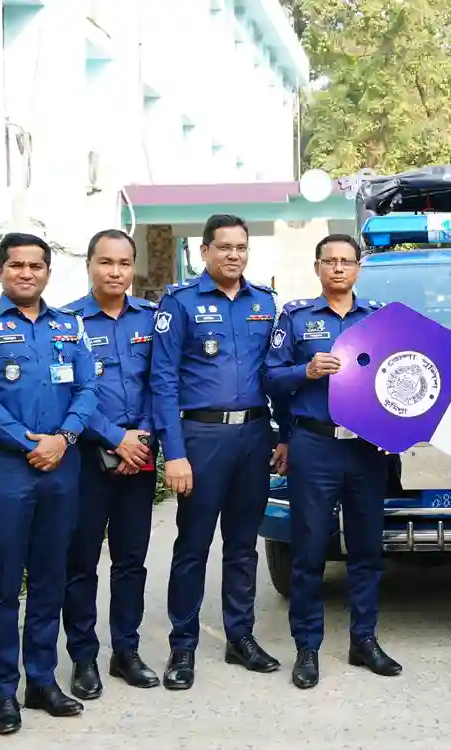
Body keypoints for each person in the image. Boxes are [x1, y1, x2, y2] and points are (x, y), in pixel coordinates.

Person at [0, 232, 99, 734]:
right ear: (0, 272)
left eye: (36, 266)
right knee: (2, 584)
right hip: (8, 470)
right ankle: (2, 690)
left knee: (50, 577)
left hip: (63, 466)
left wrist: (64, 437)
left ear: (48, 273)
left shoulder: (68, 326)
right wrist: (29, 442)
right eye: (16, 265)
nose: (26, 273)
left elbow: (88, 388)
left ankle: (41, 680)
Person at [149, 213, 286, 690]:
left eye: (241, 247)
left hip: (253, 437)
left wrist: (283, 435)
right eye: (224, 247)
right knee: (192, 547)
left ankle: (239, 637)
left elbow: (278, 374)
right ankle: (182, 646)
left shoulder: (266, 305)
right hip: (201, 439)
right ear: (205, 251)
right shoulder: (180, 303)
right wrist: (175, 453)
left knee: (243, 546)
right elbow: (162, 381)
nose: (233, 255)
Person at [265, 233, 400, 689]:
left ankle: (364, 640)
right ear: (317, 267)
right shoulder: (296, 318)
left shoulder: (380, 319)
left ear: (359, 268)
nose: (339, 268)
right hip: (315, 445)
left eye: (347, 261)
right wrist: (305, 370)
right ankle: (307, 648)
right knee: (308, 552)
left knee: (366, 550)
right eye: (330, 261)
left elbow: (402, 378)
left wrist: (396, 432)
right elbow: (270, 378)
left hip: (365, 449)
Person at [61, 230, 160, 700]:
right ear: (89, 264)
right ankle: (83, 658)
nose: (115, 272)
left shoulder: (152, 319)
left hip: (139, 455)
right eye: (106, 262)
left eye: (124, 263)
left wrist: (138, 438)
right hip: (84, 458)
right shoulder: (67, 323)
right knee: (80, 562)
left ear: (133, 266)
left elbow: (160, 384)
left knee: (131, 561)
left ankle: (126, 651)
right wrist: (114, 437)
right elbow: (69, 393)